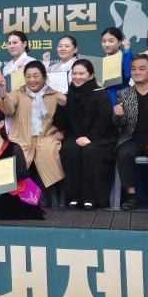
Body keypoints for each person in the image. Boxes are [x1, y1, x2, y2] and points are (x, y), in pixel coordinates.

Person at [53, 59, 117, 209]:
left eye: (81, 73)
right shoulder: (67, 95)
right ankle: (74, 196)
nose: (77, 77)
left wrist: (90, 138)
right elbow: (61, 123)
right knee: (69, 150)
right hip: (75, 136)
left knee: (90, 152)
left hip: (100, 137)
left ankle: (92, 197)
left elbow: (104, 120)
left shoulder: (101, 94)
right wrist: (62, 106)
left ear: (91, 75)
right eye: (74, 74)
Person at [114, 55, 148, 210]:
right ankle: (131, 196)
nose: (137, 72)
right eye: (133, 69)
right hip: (130, 138)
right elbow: (119, 125)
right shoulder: (123, 94)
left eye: (141, 68)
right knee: (123, 153)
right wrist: (117, 115)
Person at [0, 61, 66, 190]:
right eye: (28, 76)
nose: (31, 80)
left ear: (44, 77)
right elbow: (7, 110)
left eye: (36, 76)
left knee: (48, 152)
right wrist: (3, 92)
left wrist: (63, 132)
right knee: (16, 154)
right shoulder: (18, 93)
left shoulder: (55, 95)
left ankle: (47, 194)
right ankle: (20, 194)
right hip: (21, 137)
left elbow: (66, 118)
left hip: (46, 137)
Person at [101, 26, 133, 105]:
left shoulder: (126, 56)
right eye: (104, 41)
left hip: (122, 96)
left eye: (111, 41)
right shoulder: (101, 61)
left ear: (119, 42)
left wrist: (127, 51)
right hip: (104, 97)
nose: (107, 44)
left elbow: (127, 74)